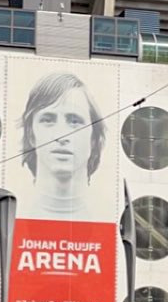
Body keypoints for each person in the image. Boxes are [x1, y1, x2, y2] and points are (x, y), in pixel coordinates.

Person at [19, 71, 106, 219]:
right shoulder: (16, 214)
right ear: (30, 134)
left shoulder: (105, 217)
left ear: (93, 138)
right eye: (48, 120)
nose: (61, 135)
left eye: (74, 121)